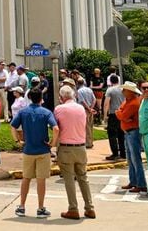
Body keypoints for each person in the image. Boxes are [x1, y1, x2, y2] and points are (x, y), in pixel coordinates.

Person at [11, 88, 59, 218]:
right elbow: (55, 128)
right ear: (41, 97)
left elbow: (13, 126)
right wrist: (53, 143)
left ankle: (22, 206)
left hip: (28, 149)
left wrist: (18, 140)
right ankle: (40, 207)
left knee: (26, 178)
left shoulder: (23, 112)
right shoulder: (46, 112)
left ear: (30, 97)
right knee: (41, 180)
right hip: (43, 150)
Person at [53, 85, 96, 220]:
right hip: (81, 146)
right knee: (83, 178)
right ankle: (90, 207)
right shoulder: (81, 109)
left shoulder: (59, 109)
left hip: (66, 147)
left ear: (61, 97)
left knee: (69, 179)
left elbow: (56, 127)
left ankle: (73, 208)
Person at [115, 81, 147, 193]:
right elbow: (120, 113)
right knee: (130, 159)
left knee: (135, 159)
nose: (123, 91)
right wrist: (121, 115)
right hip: (128, 132)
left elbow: (121, 114)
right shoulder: (127, 101)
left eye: (125, 90)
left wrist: (121, 115)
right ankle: (133, 181)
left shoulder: (134, 103)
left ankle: (141, 183)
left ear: (130, 92)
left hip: (133, 132)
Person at [103, 75, 126, 161]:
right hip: (122, 113)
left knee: (112, 134)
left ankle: (115, 153)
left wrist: (105, 115)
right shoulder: (123, 89)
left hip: (114, 113)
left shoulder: (110, 90)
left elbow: (106, 103)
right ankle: (123, 153)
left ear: (111, 82)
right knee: (121, 134)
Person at [74, 78, 96, 148]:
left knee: (86, 127)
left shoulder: (79, 91)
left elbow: (82, 101)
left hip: (84, 110)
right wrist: (91, 108)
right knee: (90, 126)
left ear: (77, 83)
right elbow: (94, 99)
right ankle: (91, 142)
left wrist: (88, 109)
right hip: (90, 110)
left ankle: (88, 143)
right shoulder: (89, 89)